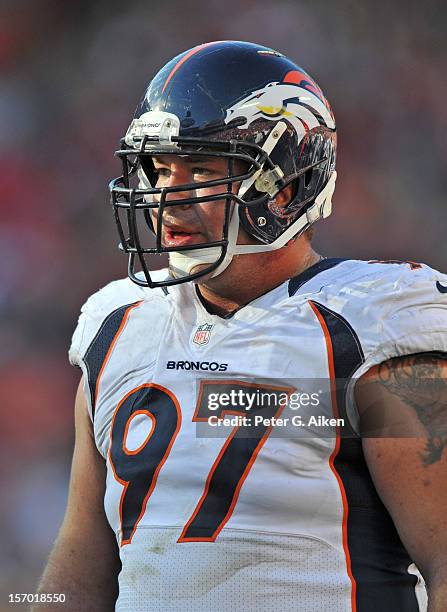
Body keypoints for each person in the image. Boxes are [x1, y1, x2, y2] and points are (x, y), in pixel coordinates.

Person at [36, 41, 447, 611]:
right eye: (160, 169)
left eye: (201, 169)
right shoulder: (119, 325)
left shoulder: (366, 326)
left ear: (283, 185)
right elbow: (82, 557)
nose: (166, 198)